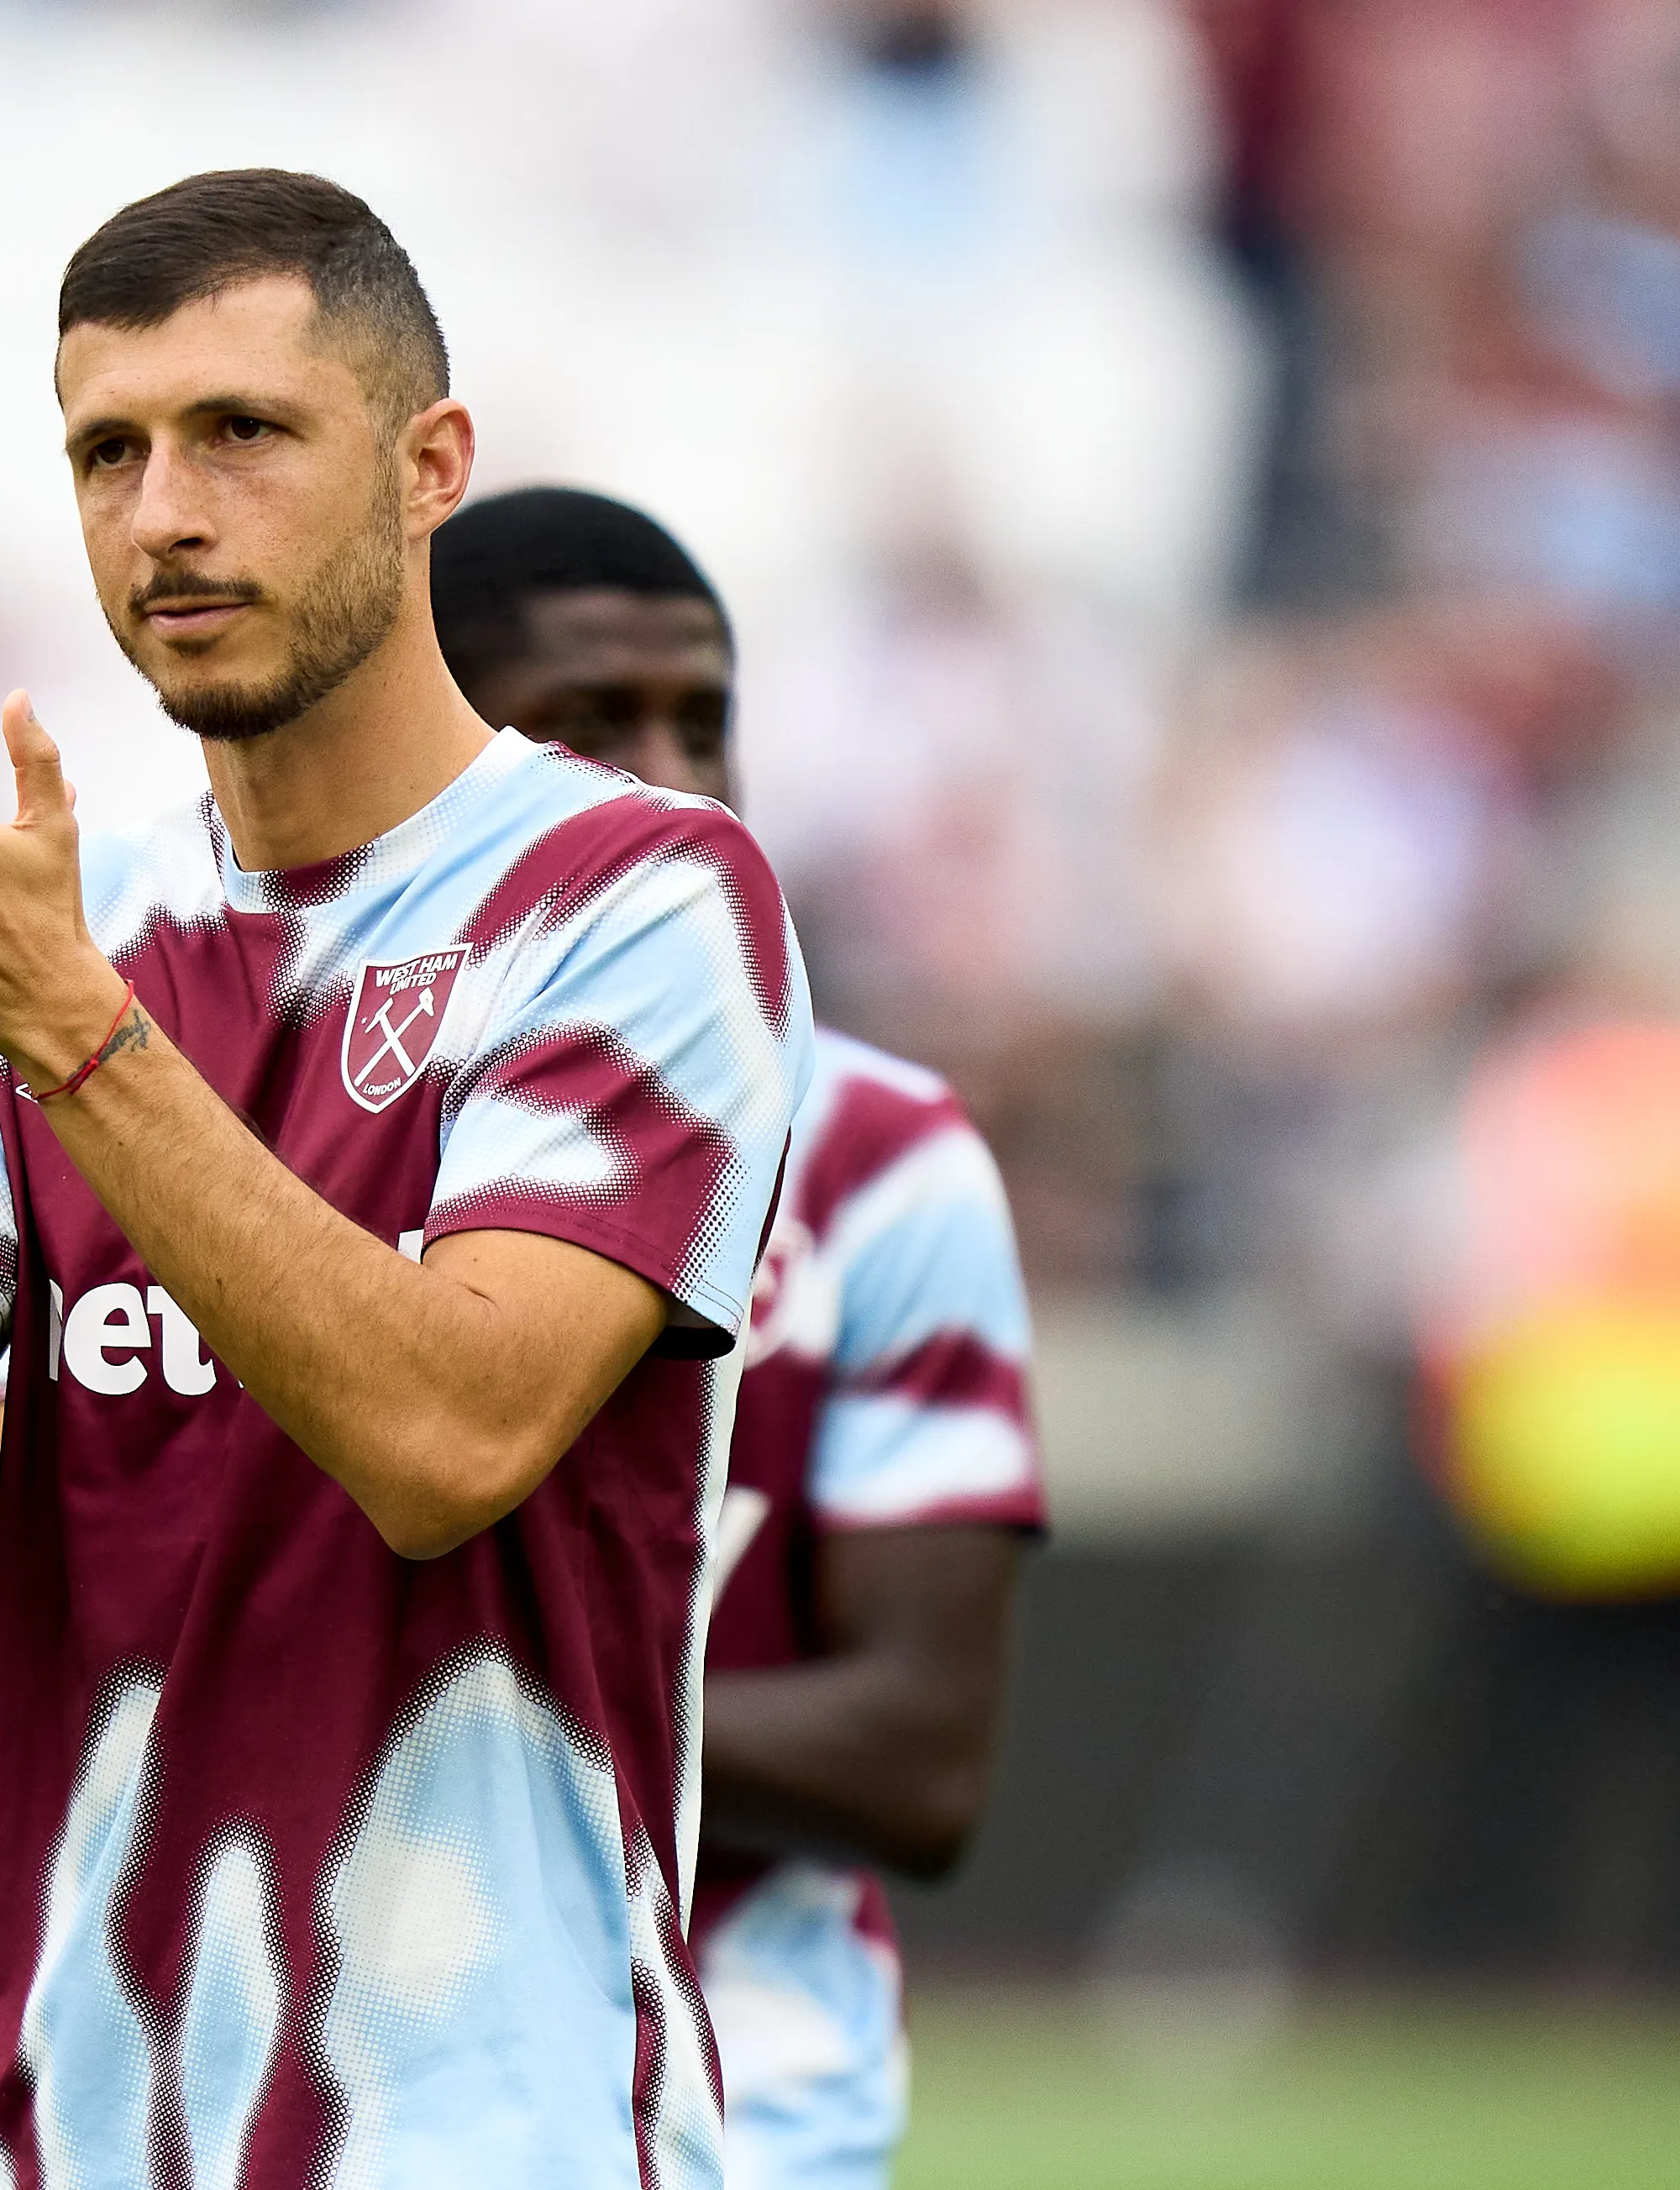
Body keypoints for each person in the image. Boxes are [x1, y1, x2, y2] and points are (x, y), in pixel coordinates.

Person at [0, 171, 811, 2188]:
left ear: (422, 467)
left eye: (241, 435)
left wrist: (56, 1027)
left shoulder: (636, 891)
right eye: (106, 450)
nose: (162, 513)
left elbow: (442, 1429)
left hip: (497, 2126)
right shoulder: (63, 924)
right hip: (91, 2126)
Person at [433, 486, 1042, 2187]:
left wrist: (405, 1694)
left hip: (735, 2106)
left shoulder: (877, 1155)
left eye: (703, 721)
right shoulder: (271, 1133)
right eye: (585, 728)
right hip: (320, 2087)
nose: (676, 781)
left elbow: (920, 1760)